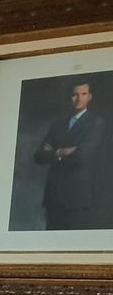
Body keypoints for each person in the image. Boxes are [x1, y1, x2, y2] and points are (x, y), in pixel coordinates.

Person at [33, 79, 107, 230]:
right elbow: (39, 156)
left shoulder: (96, 123)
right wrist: (62, 151)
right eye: (75, 94)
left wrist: (53, 152)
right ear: (70, 97)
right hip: (53, 197)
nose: (79, 98)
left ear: (90, 97)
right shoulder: (57, 124)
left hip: (77, 198)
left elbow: (83, 155)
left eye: (83, 94)